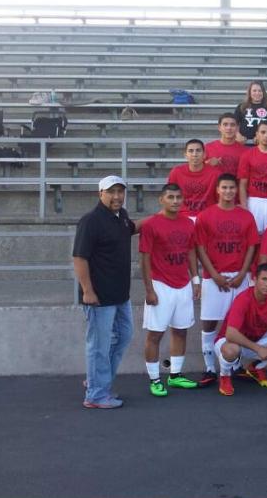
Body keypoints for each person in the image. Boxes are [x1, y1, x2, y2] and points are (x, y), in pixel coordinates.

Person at [73, 175, 141, 409]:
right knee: (99, 346)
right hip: (99, 297)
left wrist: (164, 217)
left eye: (120, 192)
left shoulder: (120, 217)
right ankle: (95, 395)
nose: (116, 196)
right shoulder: (90, 221)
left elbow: (132, 228)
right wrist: (87, 291)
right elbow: (79, 258)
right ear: (100, 193)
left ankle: (97, 381)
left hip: (121, 294)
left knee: (124, 336)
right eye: (111, 192)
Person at [195, 173, 259, 387]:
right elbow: (200, 248)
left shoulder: (246, 216)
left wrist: (243, 273)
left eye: (232, 187)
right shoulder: (205, 216)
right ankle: (209, 368)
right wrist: (213, 274)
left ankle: (235, 365)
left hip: (240, 276)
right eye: (225, 187)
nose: (229, 191)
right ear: (218, 190)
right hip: (214, 276)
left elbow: (251, 246)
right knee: (210, 322)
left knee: (238, 324)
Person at [139, 183, 200, 397]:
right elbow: (144, 259)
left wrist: (196, 280)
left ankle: (175, 375)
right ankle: (155, 379)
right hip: (160, 285)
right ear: (161, 200)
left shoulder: (188, 223)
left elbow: (191, 251)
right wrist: (149, 289)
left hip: (183, 284)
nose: (175, 201)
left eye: (178, 197)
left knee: (180, 330)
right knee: (155, 334)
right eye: (171, 197)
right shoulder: (151, 225)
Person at [214, 264, 267, 396]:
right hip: (231, 342)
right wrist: (258, 349)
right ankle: (225, 376)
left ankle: (257, 367)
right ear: (255, 279)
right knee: (231, 350)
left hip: (256, 340)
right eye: (264, 279)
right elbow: (231, 334)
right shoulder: (243, 299)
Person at [167, 139, 219, 219]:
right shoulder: (176, 172)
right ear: (185, 155)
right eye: (191, 151)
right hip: (182, 216)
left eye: (198, 150)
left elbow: (219, 200)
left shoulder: (215, 174)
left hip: (207, 217)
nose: (194, 154)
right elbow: (169, 197)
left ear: (204, 154)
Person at [205, 112, 245, 177]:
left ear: (237, 128)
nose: (229, 128)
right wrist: (207, 164)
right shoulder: (208, 147)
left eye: (232, 125)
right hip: (213, 186)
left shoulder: (245, 151)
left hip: (236, 186)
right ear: (219, 127)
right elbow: (197, 169)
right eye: (225, 124)